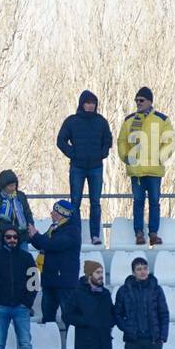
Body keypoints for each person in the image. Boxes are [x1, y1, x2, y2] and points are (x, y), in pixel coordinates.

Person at [117, 87, 174, 246]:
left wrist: (159, 158)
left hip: (154, 170)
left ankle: (154, 233)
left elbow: (169, 142)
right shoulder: (129, 120)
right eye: (136, 100)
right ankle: (139, 233)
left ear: (150, 101)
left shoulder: (162, 119)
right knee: (138, 202)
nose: (138, 103)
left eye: (141, 100)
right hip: (136, 171)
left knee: (155, 202)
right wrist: (126, 157)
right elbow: (121, 141)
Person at [56, 90, 113, 246]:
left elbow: (108, 139)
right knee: (75, 202)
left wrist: (102, 153)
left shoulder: (101, 121)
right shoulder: (72, 121)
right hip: (77, 167)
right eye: (87, 102)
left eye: (93, 103)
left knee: (95, 202)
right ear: (82, 104)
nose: (90, 106)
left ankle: (95, 235)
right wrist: (73, 154)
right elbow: (60, 141)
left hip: (96, 167)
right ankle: (76, 235)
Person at [28, 199, 81, 325]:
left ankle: (71, 343)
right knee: (47, 318)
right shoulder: (54, 228)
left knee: (69, 317)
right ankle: (48, 341)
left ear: (60, 214)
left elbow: (53, 245)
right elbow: (43, 245)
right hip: (50, 280)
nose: (51, 214)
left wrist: (36, 235)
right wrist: (33, 236)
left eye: (54, 211)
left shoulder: (72, 231)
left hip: (65, 283)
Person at [0, 169, 34, 252]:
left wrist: (28, 235)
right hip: (2, 243)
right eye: (10, 186)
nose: (13, 188)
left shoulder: (21, 197)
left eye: (14, 185)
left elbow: (28, 215)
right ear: (3, 186)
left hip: (21, 240)